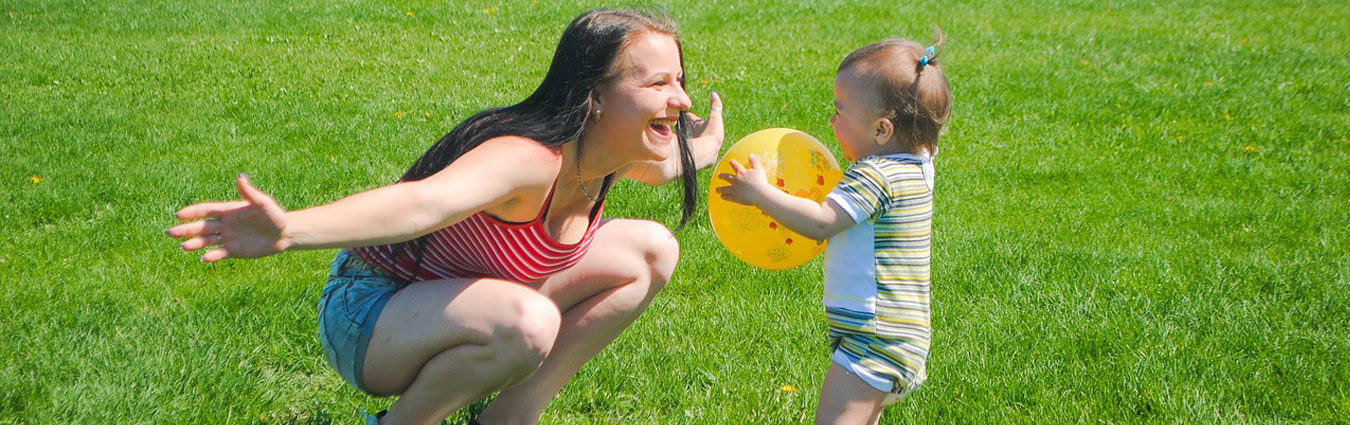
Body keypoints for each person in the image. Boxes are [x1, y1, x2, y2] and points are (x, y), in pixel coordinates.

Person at [166, 9, 724, 425]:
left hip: (460, 306)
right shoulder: (529, 160)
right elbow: (420, 204)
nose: (680, 99)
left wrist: (707, 148)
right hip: (370, 313)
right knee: (528, 324)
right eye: (658, 84)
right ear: (596, 97)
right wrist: (290, 229)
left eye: (678, 79)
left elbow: (672, 164)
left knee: (652, 250)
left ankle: (509, 417)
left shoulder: (611, 157)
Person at [716, 32, 949, 425]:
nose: (831, 120)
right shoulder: (920, 164)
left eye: (840, 113)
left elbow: (821, 222)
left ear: (881, 131)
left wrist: (760, 193)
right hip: (901, 335)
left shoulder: (874, 176)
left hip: (873, 338)